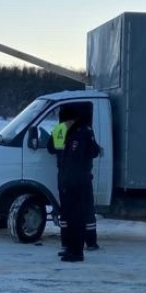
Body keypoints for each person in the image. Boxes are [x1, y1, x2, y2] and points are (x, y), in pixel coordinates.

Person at [47, 104, 101, 262]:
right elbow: (52, 148)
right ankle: (69, 248)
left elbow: (94, 152)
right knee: (69, 216)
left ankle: (77, 252)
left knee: (77, 217)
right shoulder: (62, 130)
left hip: (79, 181)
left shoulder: (83, 132)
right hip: (66, 180)